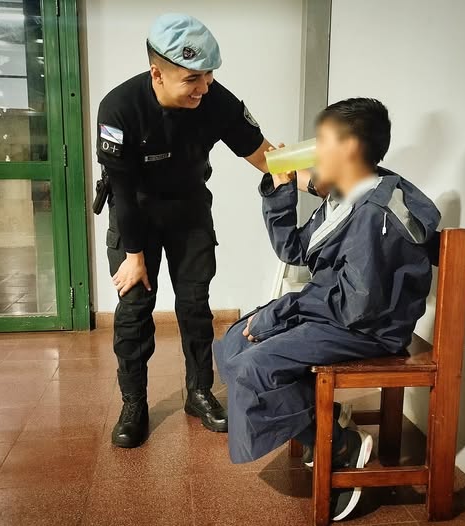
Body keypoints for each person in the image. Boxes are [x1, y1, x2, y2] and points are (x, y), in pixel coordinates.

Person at [96, 13, 317, 448]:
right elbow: (121, 189)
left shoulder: (215, 100)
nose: (204, 87)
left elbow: (263, 154)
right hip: (133, 214)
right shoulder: (119, 108)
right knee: (134, 309)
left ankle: (198, 392)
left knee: (195, 305)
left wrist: (321, 181)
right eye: (193, 78)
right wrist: (135, 257)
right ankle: (133, 403)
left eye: (210, 76)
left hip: (189, 211)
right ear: (157, 74)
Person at [214, 98, 441, 520]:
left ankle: (341, 446)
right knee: (231, 344)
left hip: (367, 326)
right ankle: (326, 425)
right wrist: (282, 188)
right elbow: (295, 249)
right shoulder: (349, 195)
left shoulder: (377, 210)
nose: (313, 152)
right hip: (337, 312)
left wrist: (281, 312)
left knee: (253, 368)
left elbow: (361, 304)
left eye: (323, 142)